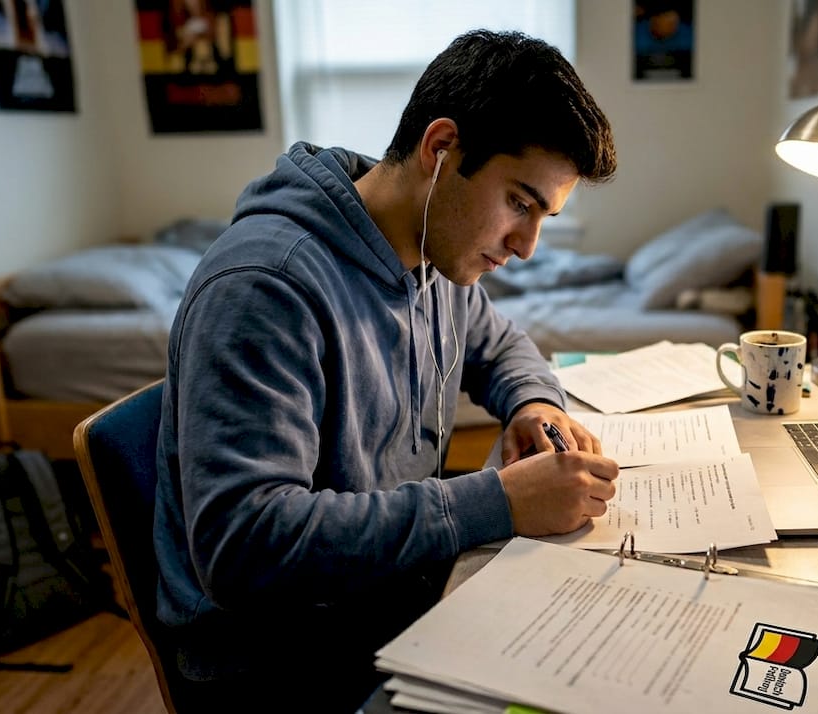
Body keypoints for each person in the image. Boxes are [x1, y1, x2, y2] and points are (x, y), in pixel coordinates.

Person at [152, 30, 620, 711]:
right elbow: (244, 545)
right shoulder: (265, 286)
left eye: (543, 215)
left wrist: (533, 405)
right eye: (519, 203)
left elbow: (498, 344)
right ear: (441, 149)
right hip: (280, 661)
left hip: (382, 593)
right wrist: (497, 503)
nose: (526, 246)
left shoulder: (432, 252)